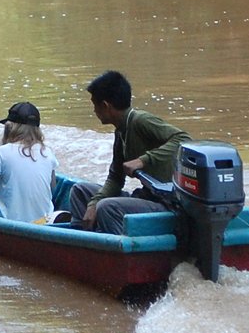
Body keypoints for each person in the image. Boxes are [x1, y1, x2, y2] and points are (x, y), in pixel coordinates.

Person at [66, 70, 191, 235]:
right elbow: (115, 178)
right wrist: (93, 204)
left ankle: (119, 249)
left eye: (94, 105)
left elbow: (183, 139)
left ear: (105, 106)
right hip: (144, 198)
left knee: (107, 207)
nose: (94, 111)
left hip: (167, 204)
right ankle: (83, 238)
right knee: (80, 191)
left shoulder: (140, 121)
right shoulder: (120, 132)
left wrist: (144, 160)